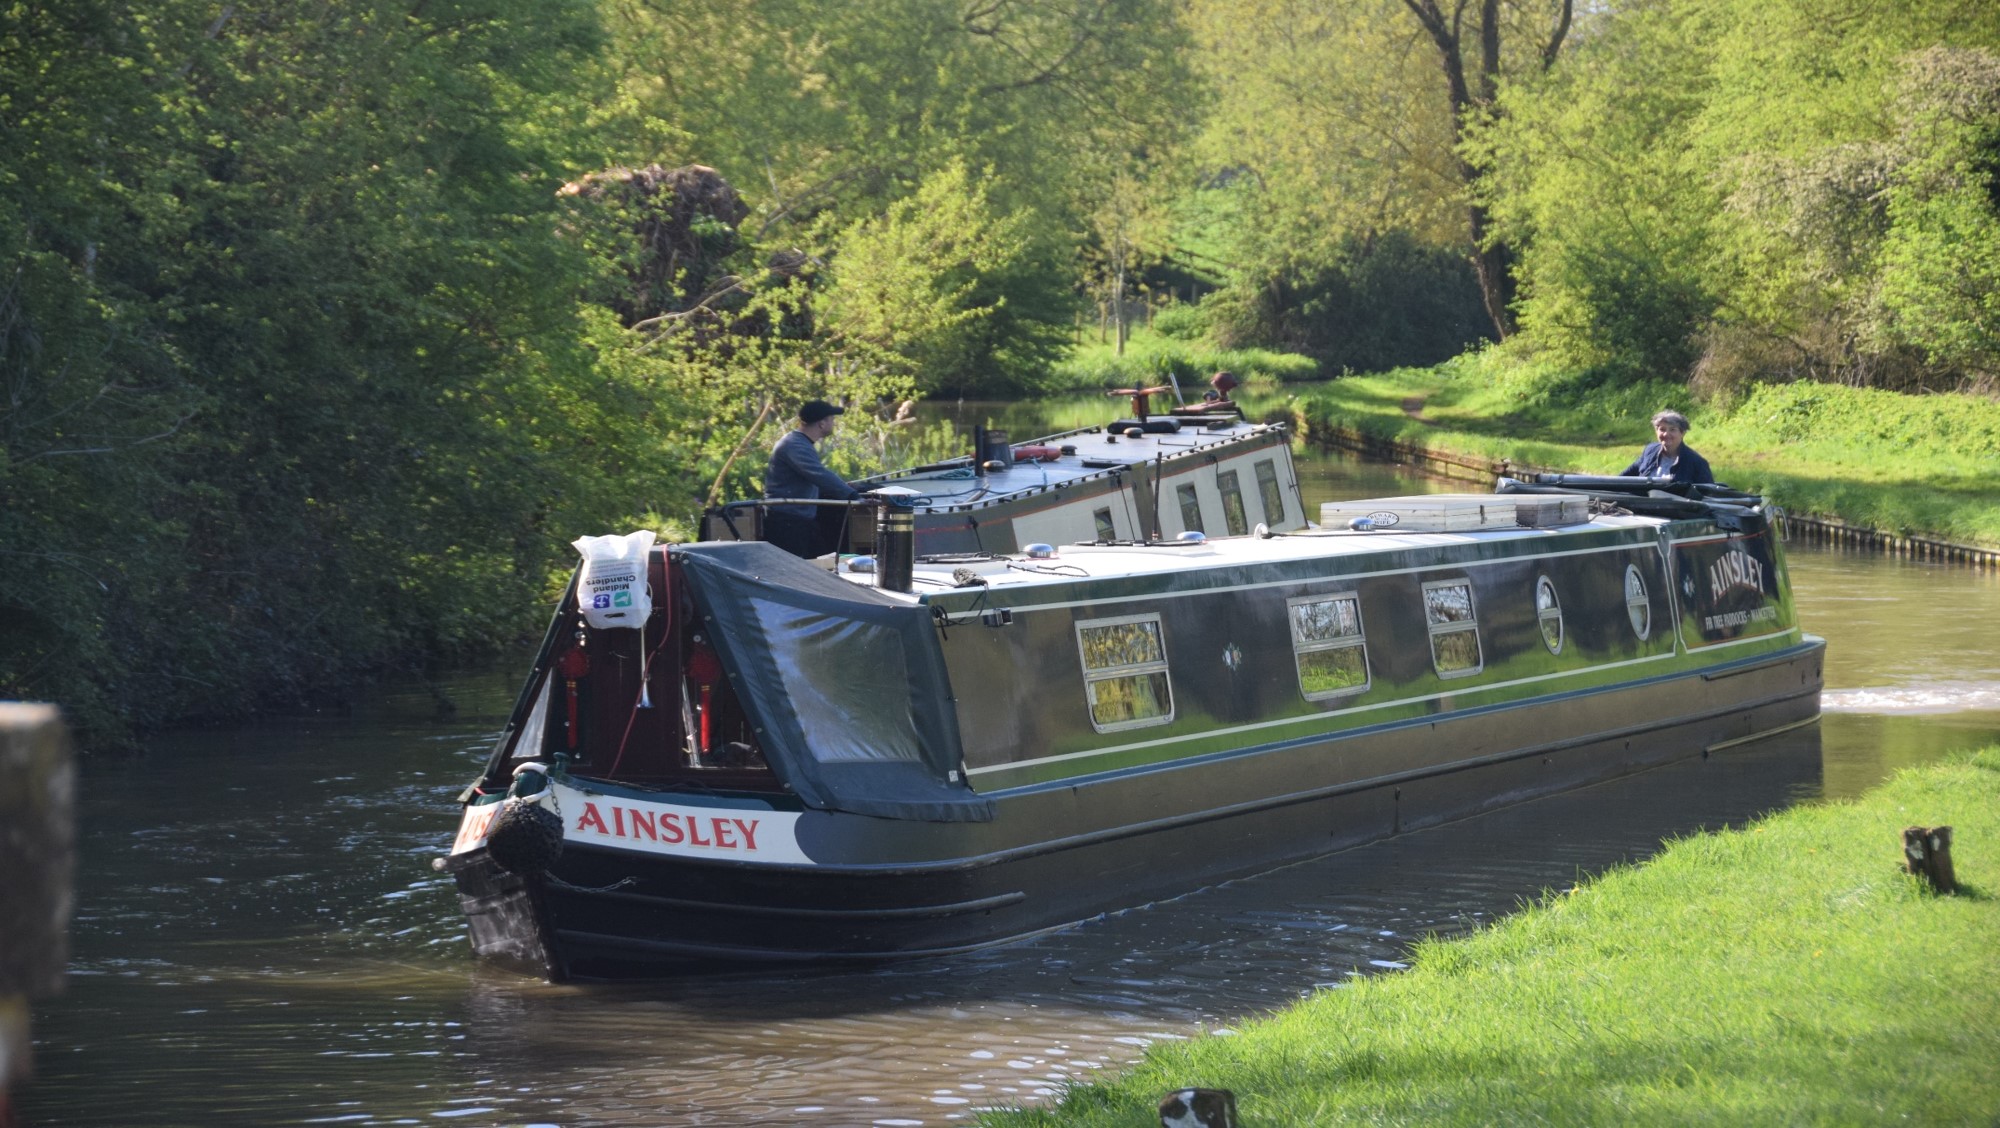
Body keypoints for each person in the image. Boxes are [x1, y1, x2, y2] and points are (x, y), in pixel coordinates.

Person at [764, 400, 862, 558]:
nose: (834, 423)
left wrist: (848, 487)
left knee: (822, 560)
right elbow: (819, 474)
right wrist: (852, 496)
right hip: (787, 522)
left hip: (801, 520)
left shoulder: (801, 443)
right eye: (832, 419)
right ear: (822, 424)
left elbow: (812, 478)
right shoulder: (794, 445)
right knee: (800, 569)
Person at [1621, 409, 1715, 485]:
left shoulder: (1697, 462)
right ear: (1656, 431)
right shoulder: (1650, 451)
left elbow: (1709, 495)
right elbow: (1623, 477)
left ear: (1682, 433)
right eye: (1662, 429)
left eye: (1672, 430)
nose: (1666, 434)